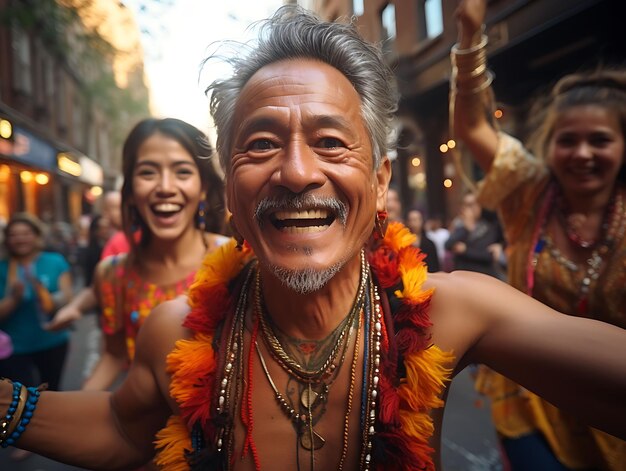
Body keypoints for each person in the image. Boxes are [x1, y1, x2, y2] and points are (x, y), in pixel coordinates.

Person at [0, 7, 625, 471]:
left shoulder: (451, 312)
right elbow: (120, 423)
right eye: (262, 143)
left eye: (331, 142)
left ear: (380, 183)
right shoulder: (175, 332)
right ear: (228, 190)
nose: (297, 173)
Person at [451, 0, 626, 469]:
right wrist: (470, 37)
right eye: (568, 140)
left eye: (601, 140)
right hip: (528, 404)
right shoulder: (528, 190)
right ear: (550, 145)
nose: (582, 153)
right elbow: (470, 128)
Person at [445, 191, 505, 278]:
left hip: (484, 276)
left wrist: (465, 250)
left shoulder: (489, 227)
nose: (470, 209)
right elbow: (448, 245)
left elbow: (487, 255)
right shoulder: (459, 226)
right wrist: (467, 229)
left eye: (473, 204)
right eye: (467, 205)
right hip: (463, 277)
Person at [79, 215, 112, 288]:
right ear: (95, 231)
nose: (106, 230)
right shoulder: (91, 252)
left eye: (108, 227)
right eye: (103, 228)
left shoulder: (112, 245)